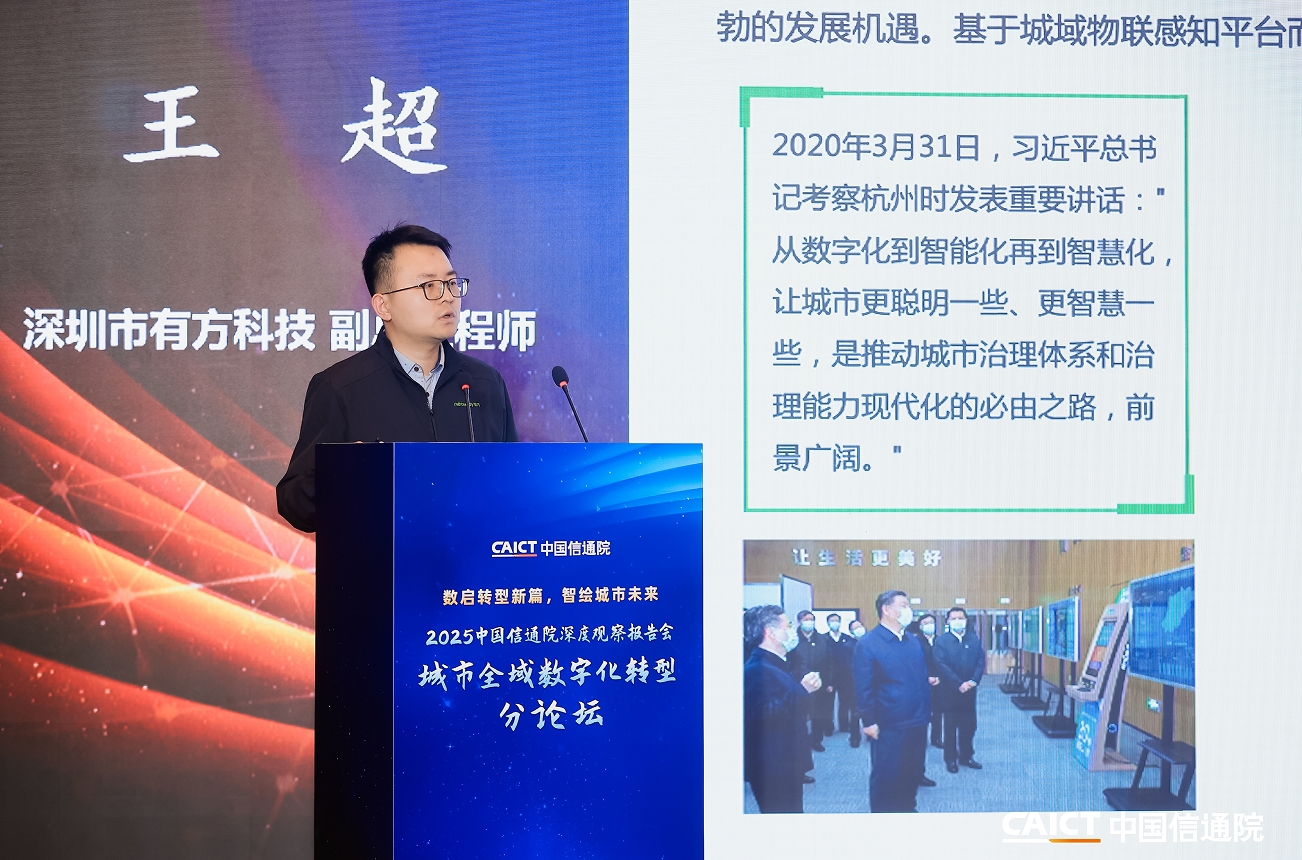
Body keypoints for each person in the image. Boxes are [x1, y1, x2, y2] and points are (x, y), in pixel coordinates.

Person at [277, 225, 518, 532]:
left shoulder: (485, 383)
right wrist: (341, 470)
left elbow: (514, 484)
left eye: (451, 283)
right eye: (428, 286)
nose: (447, 297)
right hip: (380, 560)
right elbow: (294, 504)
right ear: (384, 305)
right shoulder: (341, 388)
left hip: (471, 560)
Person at [854, 590, 932, 813]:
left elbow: (920, 679)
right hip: (888, 724)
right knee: (887, 776)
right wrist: (868, 721)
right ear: (886, 610)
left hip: (917, 720)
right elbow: (863, 686)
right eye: (903, 605)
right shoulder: (868, 643)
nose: (909, 610)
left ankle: (907, 809)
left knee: (912, 771)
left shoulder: (912, 641)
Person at [743, 605, 823, 813]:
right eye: (787, 626)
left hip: (786, 760)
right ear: (770, 632)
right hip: (773, 767)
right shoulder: (756, 669)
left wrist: (804, 690)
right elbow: (764, 715)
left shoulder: (777, 664)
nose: (792, 631)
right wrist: (802, 690)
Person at [932, 607, 986, 774]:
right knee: (950, 727)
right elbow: (941, 665)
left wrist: (973, 681)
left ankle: (966, 756)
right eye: (954, 618)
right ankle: (950, 759)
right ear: (948, 621)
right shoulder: (941, 641)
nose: (958, 621)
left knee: (969, 726)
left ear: (966, 620)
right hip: (950, 691)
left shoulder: (973, 639)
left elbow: (980, 661)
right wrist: (958, 683)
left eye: (961, 618)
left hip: (970, 690)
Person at [788, 610, 834, 749]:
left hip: (819, 682)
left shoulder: (823, 639)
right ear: (799, 622)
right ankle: (798, 741)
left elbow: (829, 662)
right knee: (799, 714)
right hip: (799, 683)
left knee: (818, 713)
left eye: (811, 619)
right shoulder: (792, 639)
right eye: (806, 619)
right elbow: (789, 663)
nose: (809, 622)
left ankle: (816, 740)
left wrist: (829, 682)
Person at [824, 613, 857, 740]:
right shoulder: (824, 638)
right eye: (832, 621)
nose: (835, 623)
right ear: (828, 623)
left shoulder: (847, 638)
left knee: (845, 702)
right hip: (830, 676)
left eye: (837, 620)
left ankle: (844, 725)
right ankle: (828, 727)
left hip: (845, 676)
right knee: (828, 704)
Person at [914, 614, 944, 749]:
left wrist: (939, 677)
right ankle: (920, 739)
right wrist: (926, 677)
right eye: (925, 623)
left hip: (939, 682)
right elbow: (914, 663)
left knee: (938, 712)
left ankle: (936, 738)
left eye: (931, 622)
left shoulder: (940, 641)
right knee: (922, 712)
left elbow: (945, 661)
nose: (929, 625)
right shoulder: (915, 642)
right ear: (920, 626)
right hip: (921, 683)